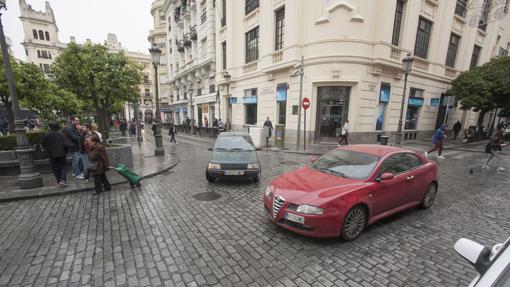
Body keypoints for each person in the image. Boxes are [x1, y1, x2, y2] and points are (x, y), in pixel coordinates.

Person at [43, 122, 68, 187]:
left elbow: (44, 145)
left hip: (51, 154)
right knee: (63, 167)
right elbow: (66, 145)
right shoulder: (62, 135)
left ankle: (59, 180)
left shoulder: (46, 135)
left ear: (50, 127)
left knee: (55, 168)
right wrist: (65, 152)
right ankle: (62, 180)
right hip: (61, 153)